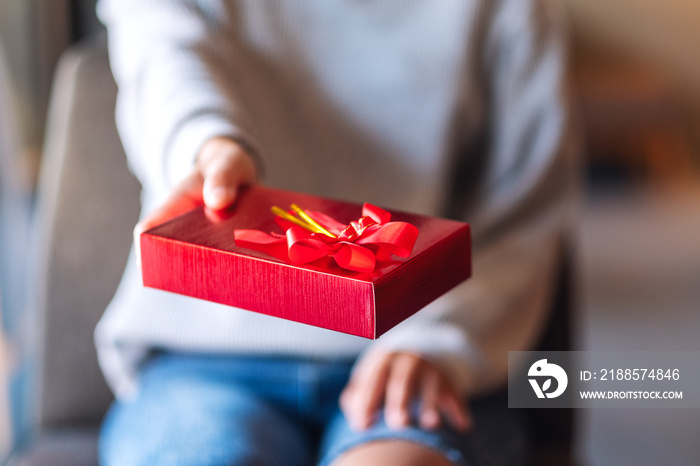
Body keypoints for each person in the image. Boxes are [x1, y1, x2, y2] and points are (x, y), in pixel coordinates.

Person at [96, 0, 577, 464]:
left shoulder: (514, 10)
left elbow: (524, 217)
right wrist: (205, 143)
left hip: (413, 352)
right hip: (206, 354)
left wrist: (442, 339)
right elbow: (162, 52)